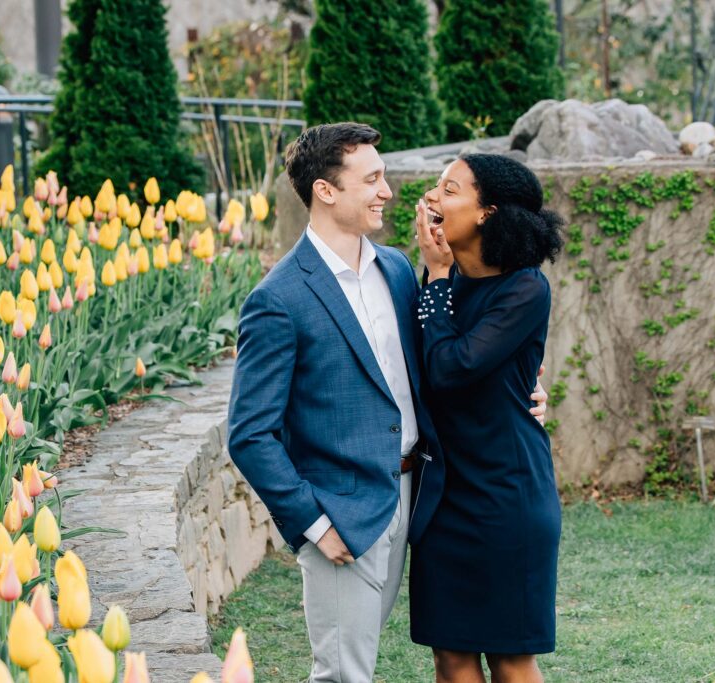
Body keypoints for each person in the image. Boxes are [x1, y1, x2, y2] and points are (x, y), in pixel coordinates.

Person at [227, 124, 547, 682]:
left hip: (419, 498)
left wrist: (522, 392)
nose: (388, 192)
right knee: (345, 676)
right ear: (327, 191)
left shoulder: (398, 270)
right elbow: (250, 434)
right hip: (342, 512)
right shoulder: (278, 299)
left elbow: (435, 369)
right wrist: (313, 522)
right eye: (372, 179)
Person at [409, 154, 564, 683]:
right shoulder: (429, 286)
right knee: (449, 654)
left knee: (510, 656)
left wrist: (435, 275)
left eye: (449, 189)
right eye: (435, 187)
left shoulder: (524, 288)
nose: (432, 198)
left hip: (507, 496)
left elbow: (453, 367)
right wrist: (434, 279)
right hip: (443, 500)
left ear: (486, 212)